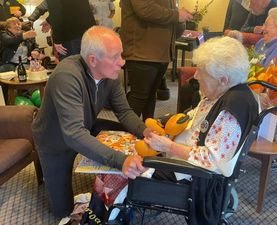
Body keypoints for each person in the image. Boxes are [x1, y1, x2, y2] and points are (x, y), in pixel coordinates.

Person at [32, 26, 148, 218]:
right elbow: (74, 135)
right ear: (93, 60)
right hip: (54, 140)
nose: (122, 62)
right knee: (63, 211)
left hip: (83, 125)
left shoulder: (110, 75)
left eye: (121, 54)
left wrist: (146, 132)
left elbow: (125, 112)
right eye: (115, 56)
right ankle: (48, 171)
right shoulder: (67, 76)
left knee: (130, 135)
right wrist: (121, 160)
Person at [145, 36, 258, 177]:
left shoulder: (233, 108)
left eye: (202, 71)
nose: (196, 76)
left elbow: (212, 160)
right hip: (179, 158)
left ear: (223, 80)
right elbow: (192, 119)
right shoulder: (219, 94)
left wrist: (168, 146)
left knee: (128, 169)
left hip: (189, 175)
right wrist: (163, 130)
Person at [120, 0, 193, 121]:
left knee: (150, 95)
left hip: (159, 53)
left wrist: (180, 18)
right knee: (139, 97)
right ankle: (123, 136)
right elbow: (144, 8)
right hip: (143, 52)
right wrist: (177, 15)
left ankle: (146, 131)